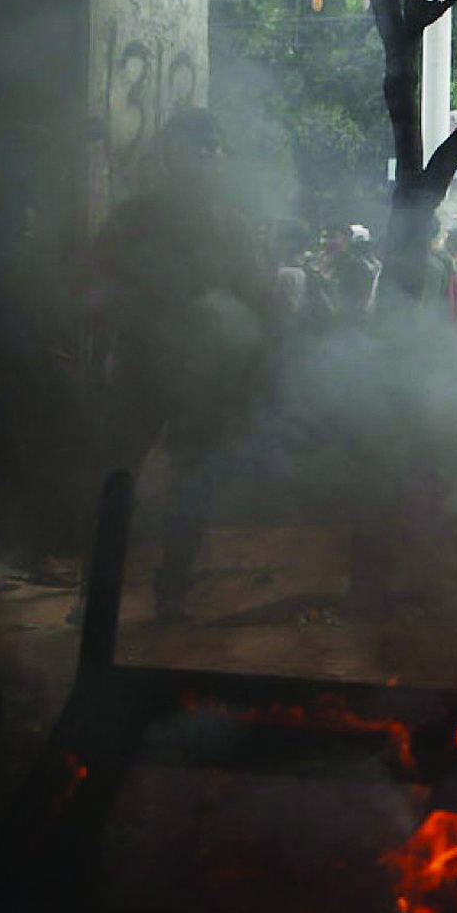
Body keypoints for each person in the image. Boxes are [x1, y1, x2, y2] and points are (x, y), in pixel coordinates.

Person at [89, 109, 273, 623]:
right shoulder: (134, 217)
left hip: (201, 374)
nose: (210, 157)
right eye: (200, 147)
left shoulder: (229, 225)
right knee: (120, 478)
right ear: (173, 154)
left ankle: (171, 592)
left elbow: (254, 297)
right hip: (142, 365)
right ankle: (98, 594)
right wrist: (106, 348)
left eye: (216, 148)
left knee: (190, 484)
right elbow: (99, 287)